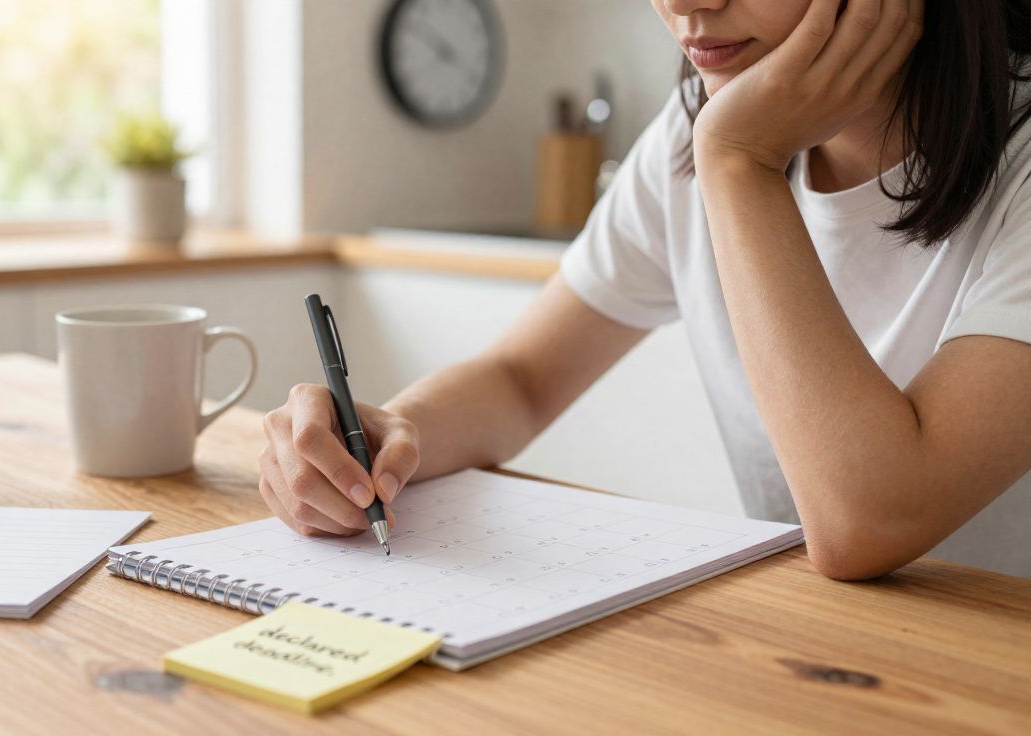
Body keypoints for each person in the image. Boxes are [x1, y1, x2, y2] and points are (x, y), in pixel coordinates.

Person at [257, 0, 1031, 580]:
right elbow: (522, 379)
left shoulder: (726, 139)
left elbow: (868, 523)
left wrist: (739, 163)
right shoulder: (698, 132)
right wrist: (392, 434)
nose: (685, 4)